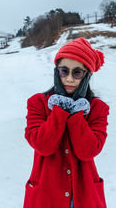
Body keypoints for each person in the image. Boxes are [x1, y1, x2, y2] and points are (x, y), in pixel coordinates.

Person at [23, 37, 110, 208]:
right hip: (46, 196)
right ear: (57, 72)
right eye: (64, 71)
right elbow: (43, 145)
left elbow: (88, 151)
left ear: (87, 76)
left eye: (77, 73)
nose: (69, 79)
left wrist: (77, 111)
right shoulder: (37, 103)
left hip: (83, 197)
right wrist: (61, 107)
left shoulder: (98, 109)